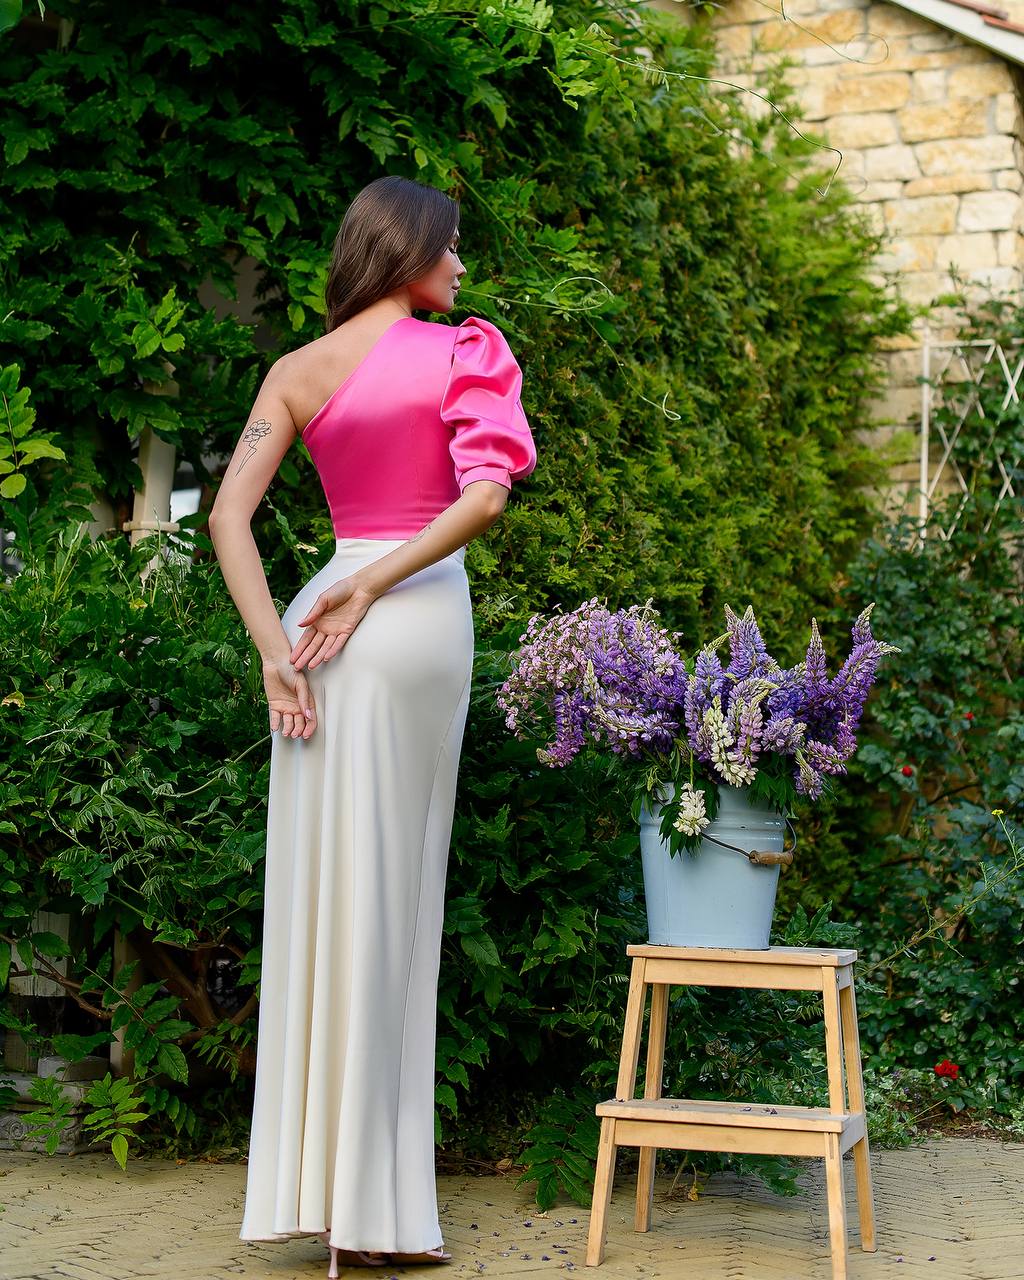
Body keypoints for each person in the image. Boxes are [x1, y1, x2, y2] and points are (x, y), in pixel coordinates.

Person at [209, 175, 538, 1279]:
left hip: (315, 626)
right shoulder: (464, 353)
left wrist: (276, 647)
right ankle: (380, 1210)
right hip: (405, 618)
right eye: (450, 249)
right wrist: (379, 585)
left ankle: (318, 1194)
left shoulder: (294, 370)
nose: (460, 269)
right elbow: (483, 500)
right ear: (409, 251)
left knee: (323, 894)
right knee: (394, 902)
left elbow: (226, 518)